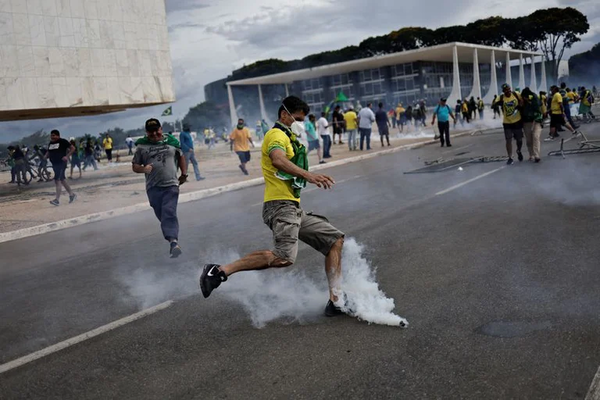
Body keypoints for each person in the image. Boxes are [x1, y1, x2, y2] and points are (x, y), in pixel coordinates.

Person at [198, 96, 347, 317]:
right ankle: (219, 271)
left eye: (302, 119)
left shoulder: (289, 137)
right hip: (279, 206)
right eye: (296, 118)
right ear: (284, 114)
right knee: (283, 257)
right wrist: (310, 176)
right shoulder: (276, 134)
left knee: (334, 240)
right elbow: (277, 159)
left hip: (293, 207)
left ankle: (336, 301)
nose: (299, 123)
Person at [132, 118, 188, 258]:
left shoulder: (172, 142)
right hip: (153, 187)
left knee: (169, 211)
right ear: (146, 132)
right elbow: (135, 166)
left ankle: (174, 242)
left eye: (157, 130)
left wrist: (184, 174)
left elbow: (181, 156)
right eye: (151, 132)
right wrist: (143, 169)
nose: (155, 134)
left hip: (171, 185)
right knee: (162, 215)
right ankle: (171, 238)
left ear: (161, 129)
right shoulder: (141, 147)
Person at [493, 83, 524, 165]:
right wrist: (497, 103)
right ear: (503, 91)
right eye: (505, 90)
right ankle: (510, 157)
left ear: (510, 89)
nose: (507, 91)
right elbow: (494, 104)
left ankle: (519, 150)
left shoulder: (516, 94)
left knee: (519, 140)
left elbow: (522, 100)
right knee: (508, 140)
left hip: (517, 121)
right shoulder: (501, 97)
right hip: (507, 122)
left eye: (508, 89)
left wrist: (520, 105)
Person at [45, 130, 76, 205]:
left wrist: (67, 156)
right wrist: (45, 156)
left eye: (54, 135)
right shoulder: (51, 143)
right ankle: (72, 195)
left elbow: (73, 148)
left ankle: (57, 200)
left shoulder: (63, 141)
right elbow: (48, 151)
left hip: (61, 163)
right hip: (54, 164)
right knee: (62, 180)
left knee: (57, 180)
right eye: (51, 135)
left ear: (58, 135)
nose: (52, 137)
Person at [520, 87, 543, 163]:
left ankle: (537, 155)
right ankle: (531, 154)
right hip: (526, 122)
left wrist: (530, 101)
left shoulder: (534, 98)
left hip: (536, 121)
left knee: (536, 137)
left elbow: (539, 106)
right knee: (529, 140)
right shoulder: (522, 102)